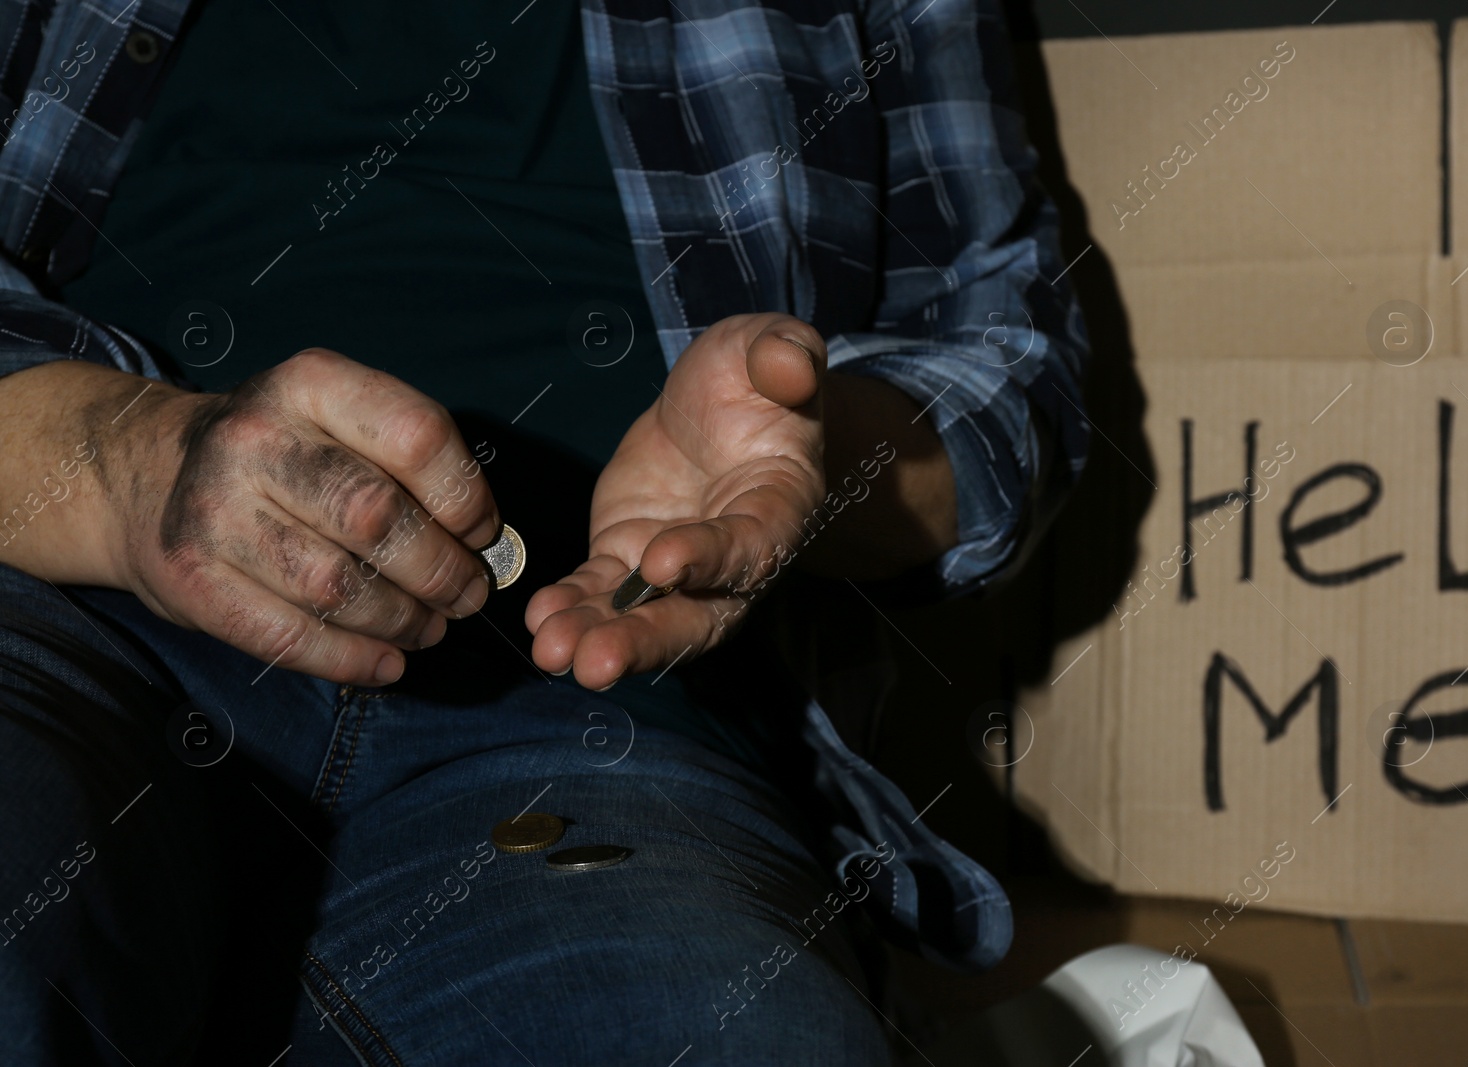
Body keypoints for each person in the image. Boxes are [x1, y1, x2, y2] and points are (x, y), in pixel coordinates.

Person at [0, 0, 1091, 1061]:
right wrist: (124, 459)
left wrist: (813, 446)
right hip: (75, 622)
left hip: (594, 698)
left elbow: (1012, 363)